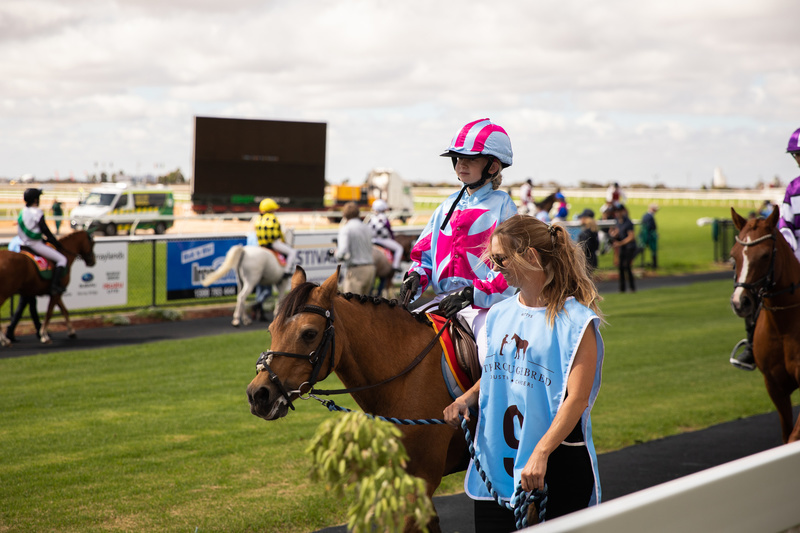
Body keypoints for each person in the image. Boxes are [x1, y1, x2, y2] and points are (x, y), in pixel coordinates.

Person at [443, 215, 604, 528]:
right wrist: (466, 398)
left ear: (531, 257)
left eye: (500, 258)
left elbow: (577, 398)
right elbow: (496, 371)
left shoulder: (576, 322)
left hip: (556, 463)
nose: (493, 266)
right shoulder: (499, 313)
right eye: (491, 258)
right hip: (498, 465)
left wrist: (541, 452)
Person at [399, 118, 518, 344]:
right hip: (442, 302)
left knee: (489, 356)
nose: (461, 164)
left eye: (470, 159)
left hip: (483, 309)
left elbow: (510, 267)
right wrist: (416, 276)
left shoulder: (504, 207)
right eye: (458, 158)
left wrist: (471, 294)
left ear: (492, 166)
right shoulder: (446, 206)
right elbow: (423, 257)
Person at [731, 127, 800, 371]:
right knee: (755, 287)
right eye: (796, 155)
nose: (799, 160)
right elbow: (785, 224)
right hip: (795, 253)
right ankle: (752, 345)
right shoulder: (794, 188)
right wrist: (791, 251)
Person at [18, 188, 68, 295]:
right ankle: (54, 287)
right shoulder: (37, 212)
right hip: (35, 244)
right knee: (62, 259)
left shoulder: (22, 212)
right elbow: (44, 229)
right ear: (36, 199)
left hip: (22, 245)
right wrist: (54, 241)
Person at [5, 235, 42, 342]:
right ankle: (11, 330)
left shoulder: (15, 240)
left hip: (24, 279)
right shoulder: (29, 241)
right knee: (28, 303)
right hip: (25, 279)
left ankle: (12, 330)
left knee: (29, 303)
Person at [335, 202, 376, 295]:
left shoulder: (346, 229)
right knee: (364, 305)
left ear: (344, 214)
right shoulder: (366, 227)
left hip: (357, 270)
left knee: (351, 305)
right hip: (370, 268)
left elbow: (342, 251)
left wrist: (336, 254)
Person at [254, 198, 298, 278]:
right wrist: (283, 240)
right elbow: (278, 233)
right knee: (292, 252)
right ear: (271, 208)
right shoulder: (273, 218)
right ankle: (287, 271)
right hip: (272, 244)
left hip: (260, 244)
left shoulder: (258, 218)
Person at [367, 199, 404, 272]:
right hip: (383, 240)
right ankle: (395, 265)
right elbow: (389, 231)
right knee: (399, 248)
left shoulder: (371, 218)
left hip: (371, 240)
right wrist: (393, 238)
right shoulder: (384, 218)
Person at [609, 204, 636, 292]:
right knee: (620, 266)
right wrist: (614, 234)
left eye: (619, 211)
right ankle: (622, 288)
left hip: (629, 247)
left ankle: (632, 287)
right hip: (622, 247)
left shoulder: (628, 222)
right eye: (616, 211)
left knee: (627, 266)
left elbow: (631, 236)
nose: (617, 213)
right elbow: (618, 230)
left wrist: (620, 243)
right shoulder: (617, 221)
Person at [639, 203, 659, 269]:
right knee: (653, 250)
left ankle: (651, 264)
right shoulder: (649, 216)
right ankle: (654, 265)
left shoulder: (646, 215)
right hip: (649, 236)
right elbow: (649, 227)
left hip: (646, 235)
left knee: (642, 249)